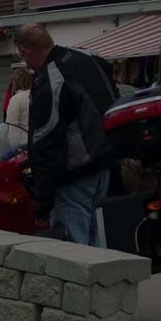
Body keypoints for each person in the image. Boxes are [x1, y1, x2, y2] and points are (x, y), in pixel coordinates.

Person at [14, 23, 116, 246]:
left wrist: (42, 204)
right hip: (103, 165)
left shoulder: (49, 80)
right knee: (93, 242)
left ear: (24, 51)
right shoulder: (87, 58)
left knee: (72, 251)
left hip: (74, 173)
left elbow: (46, 143)